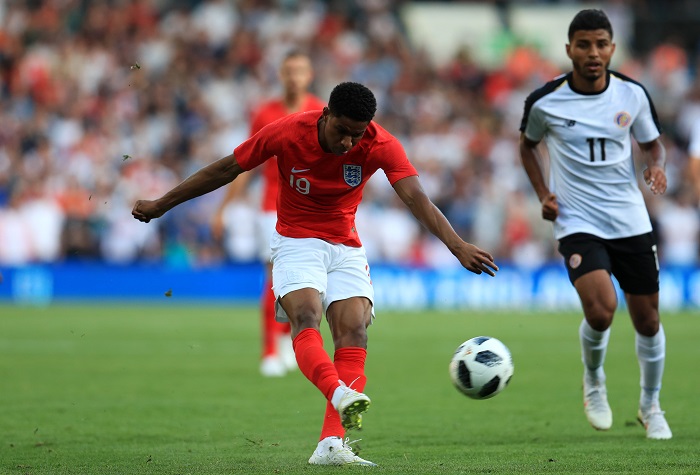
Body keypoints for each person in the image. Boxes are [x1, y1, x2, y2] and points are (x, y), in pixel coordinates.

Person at [133, 82, 498, 466]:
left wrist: (458, 246)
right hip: (295, 241)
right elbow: (227, 168)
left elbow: (415, 197)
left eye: (356, 135)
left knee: (354, 331)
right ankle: (338, 394)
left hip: (346, 245)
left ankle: (330, 446)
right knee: (306, 317)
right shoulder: (288, 131)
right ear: (326, 114)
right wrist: (162, 204)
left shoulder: (380, 143)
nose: (348, 143)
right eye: (342, 131)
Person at [519, 9, 672, 440]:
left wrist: (656, 167)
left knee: (648, 320)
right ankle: (594, 380)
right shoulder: (545, 102)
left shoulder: (632, 95)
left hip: (629, 219)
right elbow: (527, 148)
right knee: (602, 309)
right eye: (583, 44)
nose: (593, 53)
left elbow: (653, 145)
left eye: (601, 44)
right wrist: (543, 194)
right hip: (577, 219)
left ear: (612, 48)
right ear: (569, 49)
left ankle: (650, 405)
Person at [211, 51, 326, 378]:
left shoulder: (321, 110)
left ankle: (289, 341)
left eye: (300, 70)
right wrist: (224, 207)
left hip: (313, 208)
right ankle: (269, 351)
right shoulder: (266, 113)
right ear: (281, 75)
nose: (294, 77)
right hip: (272, 207)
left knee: (308, 281)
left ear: (310, 74)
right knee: (274, 277)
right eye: (289, 71)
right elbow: (246, 163)